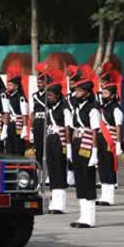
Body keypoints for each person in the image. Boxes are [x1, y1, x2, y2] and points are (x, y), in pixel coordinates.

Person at [69, 67, 100, 228]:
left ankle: (90, 217)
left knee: (88, 180)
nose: (76, 93)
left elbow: (95, 132)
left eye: (79, 91)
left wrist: (94, 153)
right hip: (77, 143)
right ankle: (82, 215)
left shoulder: (93, 109)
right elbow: (74, 128)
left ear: (87, 92)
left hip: (88, 144)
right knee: (79, 179)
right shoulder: (77, 107)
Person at [44, 70, 71, 214]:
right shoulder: (49, 108)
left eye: (50, 95)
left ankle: (60, 203)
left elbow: (67, 128)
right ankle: (53, 201)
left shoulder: (64, 108)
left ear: (57, 95)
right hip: (50, 140)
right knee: (52, 170)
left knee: (60, 171)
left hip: (60, 141)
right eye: (47, 95)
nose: (48, 98)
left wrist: (68, 146)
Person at [97, 72, 123, 206]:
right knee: (102, 167)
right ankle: (104, 195)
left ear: (112, 95)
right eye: (103, 93)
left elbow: (118, 127)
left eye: (106, 93)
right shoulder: (103, 107)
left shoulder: (116, 109)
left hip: (110, 141)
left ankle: (110, 196)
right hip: (101, 139)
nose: (103, 95)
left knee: (109, 168)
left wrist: (118, 143)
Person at [4, 66, 29, 156]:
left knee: (18, 146)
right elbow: (6, 112)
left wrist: (25, 127)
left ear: (16, 86)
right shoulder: (8, 97)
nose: (8, 87)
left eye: (10, 85)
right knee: (9, 147)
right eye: (8, 85)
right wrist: (5, 127)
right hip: (10, 124)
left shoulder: (20, 97)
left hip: (18, 125)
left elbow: (24, 114)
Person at [31, 62, 50, 171]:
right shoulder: (35, 96)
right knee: (38, 146)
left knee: (46, 147)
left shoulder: (50, 94)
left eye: (41, 82)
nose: (39, 84)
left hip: (46, 122)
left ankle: (47, 169)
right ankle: (39, 168)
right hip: (38, 122)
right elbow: (33, 112)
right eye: (38, 82)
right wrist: (31, 126)